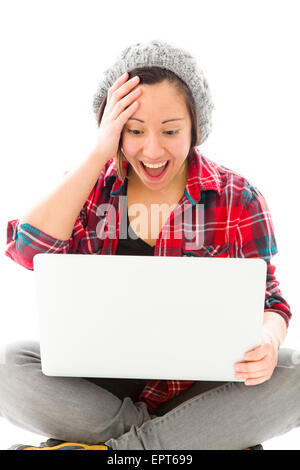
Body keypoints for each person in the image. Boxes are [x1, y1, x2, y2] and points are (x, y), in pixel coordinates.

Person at [2, 39, 300, 451]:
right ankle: (184, 439)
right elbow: (25, 250)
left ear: (196, 127)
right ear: (114, 128)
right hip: (96, 389)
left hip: (194, 386)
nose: (153, 150)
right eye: (135, 130)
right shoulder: (88, 186)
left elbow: (271, 302)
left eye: (171, 131)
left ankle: (113, 450)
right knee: (7, 364)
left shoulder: (237, 196)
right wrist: (98, 154)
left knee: (296, 375)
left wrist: (267, 341)